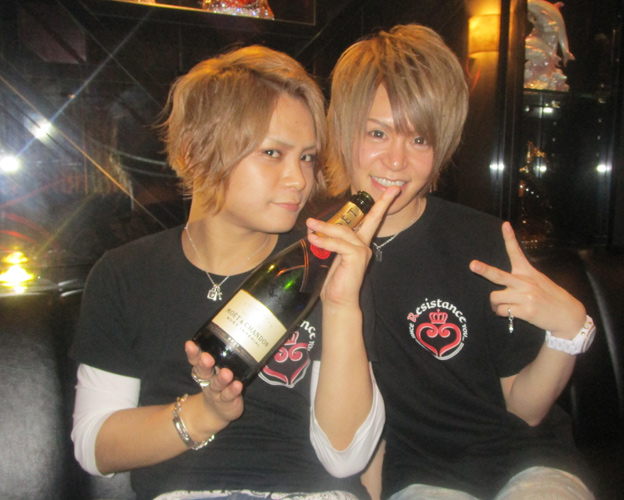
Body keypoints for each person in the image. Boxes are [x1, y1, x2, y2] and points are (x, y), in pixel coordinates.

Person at [71, 45, 398, 500]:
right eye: (272, 153)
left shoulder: (328, 263)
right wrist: (205, 413)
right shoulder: (125, 274)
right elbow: (94, 445)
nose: (299, 179)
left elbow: (346, 458)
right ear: (194, 152)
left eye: (306, 157)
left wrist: (342, 306)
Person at [325, 25, 596, 500]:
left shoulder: (482, 241)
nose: (396, 161)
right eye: (377, 132)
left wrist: (568, 331)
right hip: (419, 476)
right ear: (344, 131)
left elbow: (525, 409)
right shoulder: (315, 249)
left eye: (420, 140)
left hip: (527, 461)